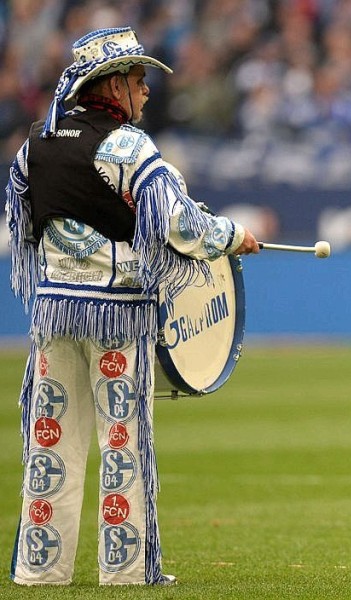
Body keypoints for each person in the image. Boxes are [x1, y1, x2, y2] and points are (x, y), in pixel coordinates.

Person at [5, 27, 259, 586]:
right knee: (123, 443)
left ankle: (39, 569)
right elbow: (179, 223)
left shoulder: (35, 145)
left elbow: (21, 226)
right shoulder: (129, 147)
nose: (145, 91)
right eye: (139, 80)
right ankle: (125, 571)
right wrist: (233, 234)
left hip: (53, 316)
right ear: (113, 86)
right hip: (118, 317)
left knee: (50, 442)